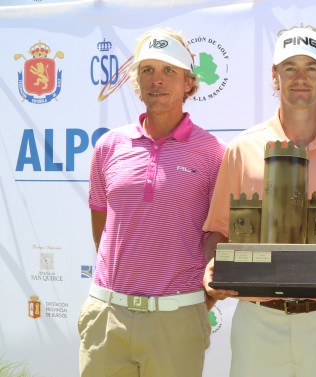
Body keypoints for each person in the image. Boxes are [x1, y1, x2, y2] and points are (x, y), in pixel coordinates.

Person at [202, 27, 316, 377]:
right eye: (289, 67)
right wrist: (212, 266)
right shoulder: (242, 149)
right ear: (275, 74)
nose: (300, 78)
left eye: (311, 67)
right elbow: (217, 231)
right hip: (259, 320)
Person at [78, 28, 225, 377]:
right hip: (107, 316)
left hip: (177, 319)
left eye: (168, 71)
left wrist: (199, 300)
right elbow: (102, 228)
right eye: (147, 70)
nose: (156, 80)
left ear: (189, 82)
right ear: (136, 80)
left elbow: (221, 235)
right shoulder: (109, 146)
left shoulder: (213, 153)